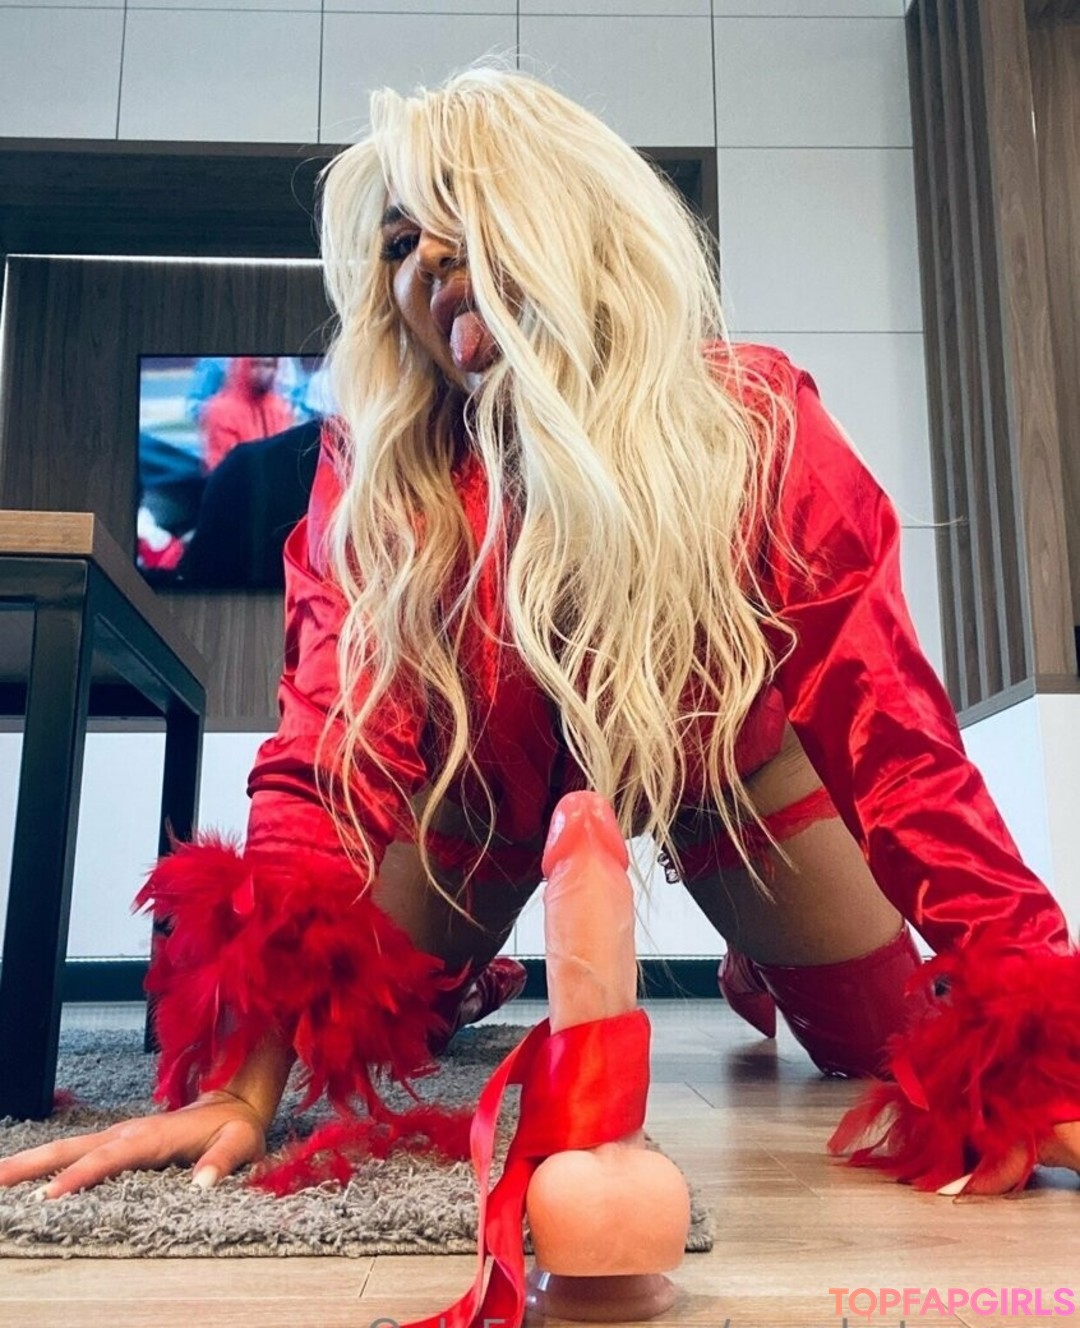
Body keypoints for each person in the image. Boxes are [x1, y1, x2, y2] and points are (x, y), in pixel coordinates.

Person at [2, 66, 1080, 1210]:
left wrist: (1047, 1046)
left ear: (570, 218)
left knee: (876, 1042)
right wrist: (236, 1083)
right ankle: (480, 977)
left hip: (724, 777)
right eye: (401, 242)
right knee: (365, 1041)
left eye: (464, 212)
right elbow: (324, 759)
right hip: (473, 802)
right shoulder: (377, 475)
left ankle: (754, 956)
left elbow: (899, 746)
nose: (428, 259)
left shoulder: (753, 424)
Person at [199, 356, 295, 471]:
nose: (262, 372)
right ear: (242, 367)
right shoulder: (221, 410)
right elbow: (223, 466)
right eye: (255, 365)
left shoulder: (280, 409)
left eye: (268, 365)